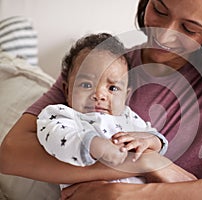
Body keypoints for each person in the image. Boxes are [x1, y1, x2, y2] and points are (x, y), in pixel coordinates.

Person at [0, 0, 202, 199]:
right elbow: (11, 154)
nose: (164, 34)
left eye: (189, 28)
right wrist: (146, 163)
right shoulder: (103, 68)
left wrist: (134, 195)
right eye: (159, 9)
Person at [36, 33, 168, 188]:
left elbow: (155, 138)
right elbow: (54, 138)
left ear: (126, 95)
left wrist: (148, 141)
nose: (99, 95)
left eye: (112, 88)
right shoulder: (61, 115)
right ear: (67, 90)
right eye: (86, 85)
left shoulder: (128, 117)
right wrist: (93, 145)